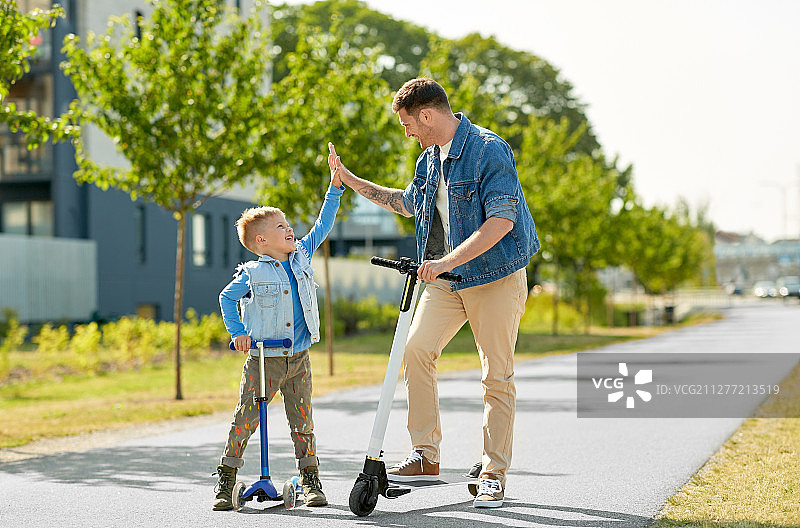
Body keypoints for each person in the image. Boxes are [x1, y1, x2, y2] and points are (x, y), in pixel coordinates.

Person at [329, 78, 539, 508]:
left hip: (494, 275)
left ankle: (494, 472)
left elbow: (501, 222)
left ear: (427, 115)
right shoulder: (429, 161)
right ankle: (426, 454)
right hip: (446, 280)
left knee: (496, 375)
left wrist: (444, 262)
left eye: (408, 124)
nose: (406, 132)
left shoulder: (487, 149)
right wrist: (348, 179)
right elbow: (406, 203)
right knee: (415, 350)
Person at [212, 144, 344, 511]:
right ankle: (226, 478)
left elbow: (323, 224)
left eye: (288, 224)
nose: (290, 230)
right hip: (262, 359)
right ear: (261, 241)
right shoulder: (251, 273)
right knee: (246, 417)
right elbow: (226, 298)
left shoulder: (301, 254)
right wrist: (238, 332)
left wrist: (334, 188)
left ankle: (310, 477)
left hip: (297, 358)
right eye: (281, 227)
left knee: (303, 421)